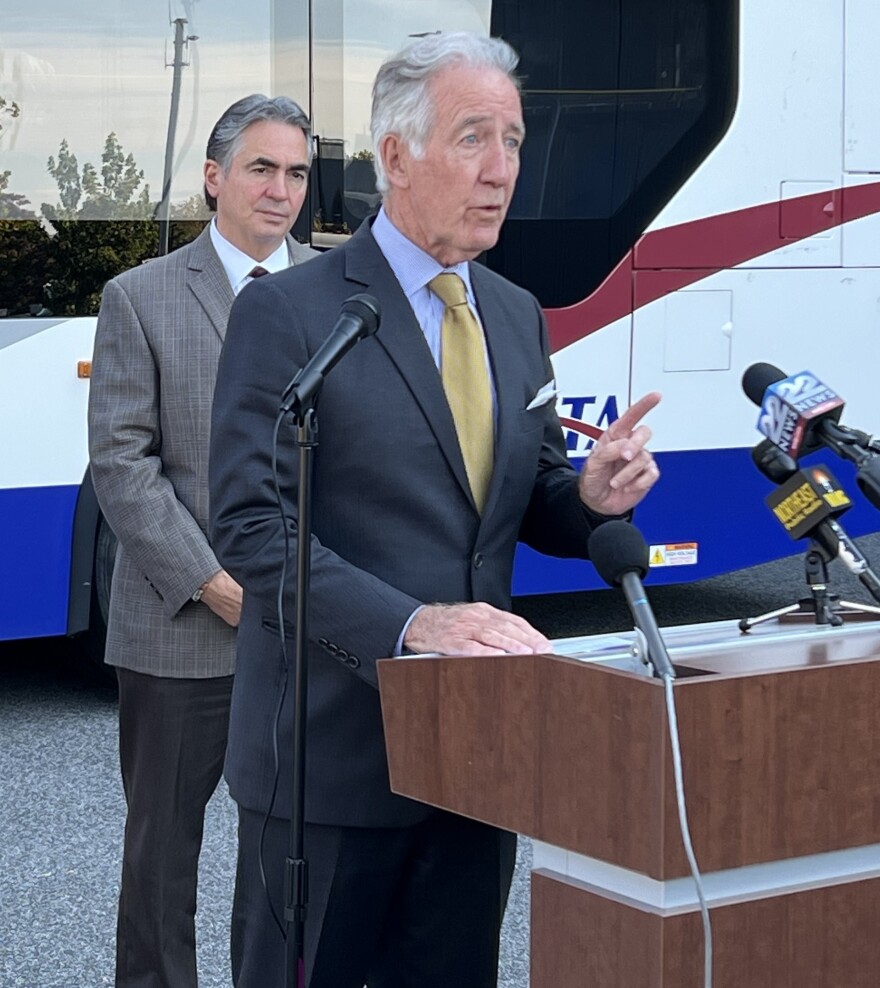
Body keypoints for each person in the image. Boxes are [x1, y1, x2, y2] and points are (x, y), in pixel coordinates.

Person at [208, 33, 660, 988]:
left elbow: (523, 499)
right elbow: (251, 527)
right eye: (472, 139)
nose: (502, 170)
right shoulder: (289, 313)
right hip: (329, 763)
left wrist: (586, 497)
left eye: (515, 140)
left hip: (478, 763)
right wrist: (411, 625)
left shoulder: (515, 313)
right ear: (396, 156)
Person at [87, 93, 317, 988]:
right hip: (182, 630)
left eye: (297, 172)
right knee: (160, 860)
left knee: (288, 856)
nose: (281, 189)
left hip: (308, 630)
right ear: (215, 178)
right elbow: (121, 463)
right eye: (261, 167)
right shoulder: (139, 297)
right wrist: (216, 583)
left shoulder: (344, 295)